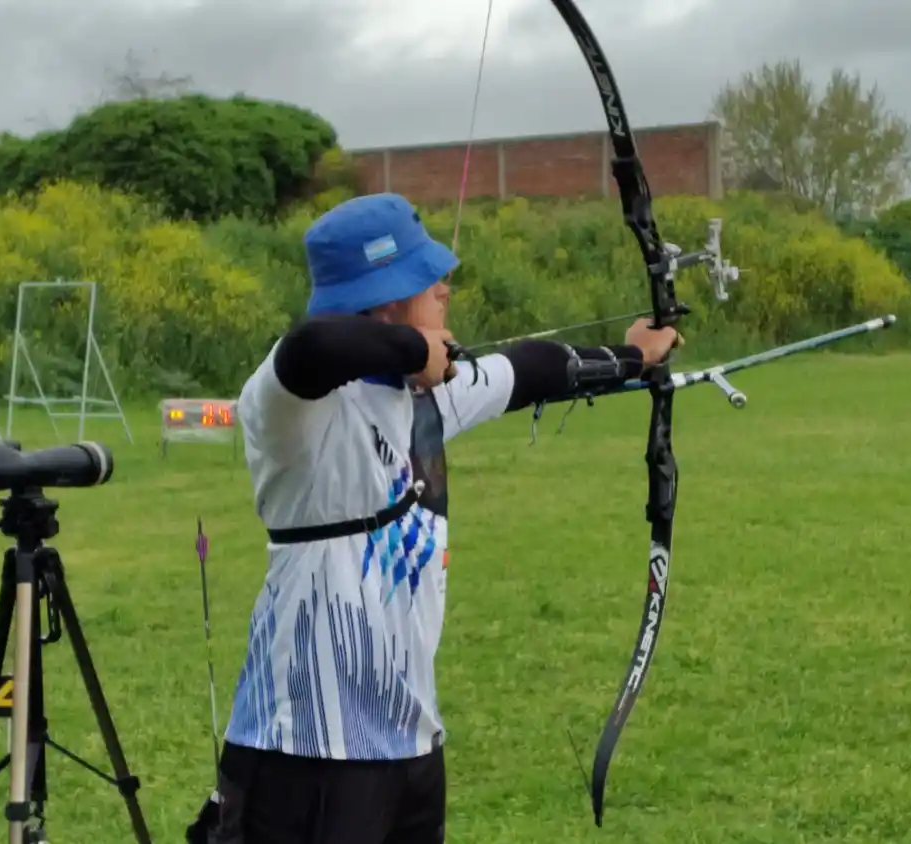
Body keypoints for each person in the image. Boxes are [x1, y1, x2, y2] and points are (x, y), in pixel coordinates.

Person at [208, 192, 679, 844]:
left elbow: (530, 369)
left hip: (408, 742)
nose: (445, 288)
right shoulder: (290, 402)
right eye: (427, 279)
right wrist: (410, 349)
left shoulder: (424, 393)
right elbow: (312, 345)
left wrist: (632, 357)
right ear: (387, 297)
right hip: (307, 745)